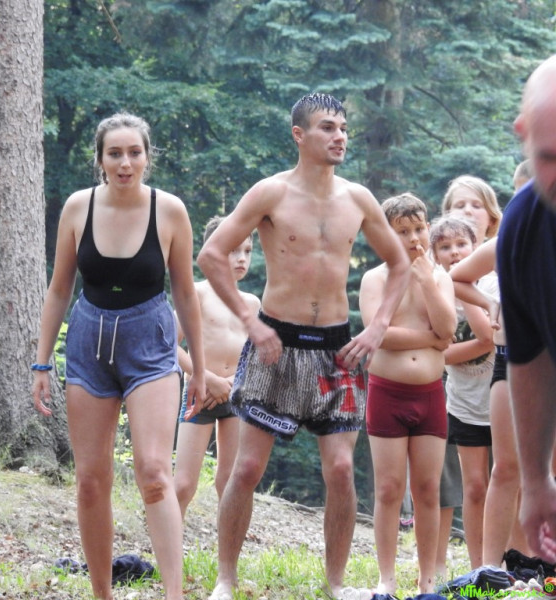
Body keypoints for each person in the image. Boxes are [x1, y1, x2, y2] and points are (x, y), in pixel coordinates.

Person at [196, 92, 411, 600]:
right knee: (247, 467)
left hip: (337, 351)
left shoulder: (358, 199)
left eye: (344, 128)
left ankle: (336, 584)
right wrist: (249, 320)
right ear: (299, 134)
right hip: (276, 343)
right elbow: (211, 254)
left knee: (340, 468)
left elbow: (400, 263)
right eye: (327, 127)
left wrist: (377, 327)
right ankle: (225, 579)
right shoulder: (270, 193)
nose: (339, 137)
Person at [31, 112, 206, 600]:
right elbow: (59, 289)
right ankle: (102, 594)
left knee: (154, 473)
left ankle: (174, 595)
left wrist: (200, 367)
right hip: (89, 344)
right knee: (91, 480)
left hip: (150, 344)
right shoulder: (77, 208)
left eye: (134, 153)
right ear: (101, 160)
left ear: (147, 157)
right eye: (115, 154)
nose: (125, 163)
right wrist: (42, 363)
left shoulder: (169, 210)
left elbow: (186, 294)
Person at [361, 194, 457, 595]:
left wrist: (425, 280)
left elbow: (448, 328)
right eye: (402, 232)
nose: (414, 238)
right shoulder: (375, 279)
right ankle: (386, 577)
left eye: (419, 229)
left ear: (429, 229)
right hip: (387, 394)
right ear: (386, 236)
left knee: (427, 489)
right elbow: (379, 333)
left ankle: (427, 578)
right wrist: (431, 339)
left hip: (430, 395)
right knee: (388, 488)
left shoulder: (440, 277)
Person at [496, 54, 556, 563]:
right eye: (550, 157)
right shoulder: (523, 228)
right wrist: (536, 481)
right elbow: (531, 357)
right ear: (523, 135)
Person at [174, 216, 261, 519]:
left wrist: (233, 382)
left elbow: (256, 354)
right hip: (200, 394)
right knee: (183, 484)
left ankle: (229, 547)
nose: (242, 258)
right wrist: (207, 378)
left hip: (237, 397)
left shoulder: (252, 303)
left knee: (231, 483)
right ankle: (167, 543)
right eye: (233, 250)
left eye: (247, 251)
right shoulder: (196, 293)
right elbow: (169, 344)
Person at [437, 176, 503, 569]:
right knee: (475, 486)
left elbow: (490, 337)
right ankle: (481, 569)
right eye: (458, 205)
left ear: (491, 218)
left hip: (508, 393)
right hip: (464, 401)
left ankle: (514, 564)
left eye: (475, 205)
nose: (466, 212)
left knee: (510, 481)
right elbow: (435, 349)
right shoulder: (435, 280)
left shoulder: (501, 269)